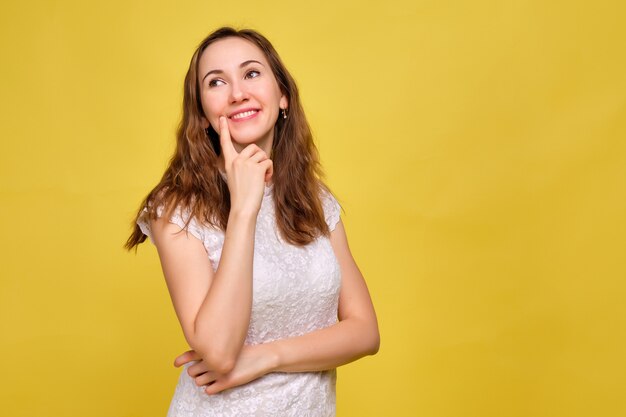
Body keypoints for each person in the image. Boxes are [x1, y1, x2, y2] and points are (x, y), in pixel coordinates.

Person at [125, 27, 379, 417]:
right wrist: (244, 210)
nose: (237, 92)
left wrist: (266, 358)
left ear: (283, 97)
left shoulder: (315, 200)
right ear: (205, 115)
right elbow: (220, 353)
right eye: (216, 82)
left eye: (252, 73)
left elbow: (365, 331)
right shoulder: (176, 208)